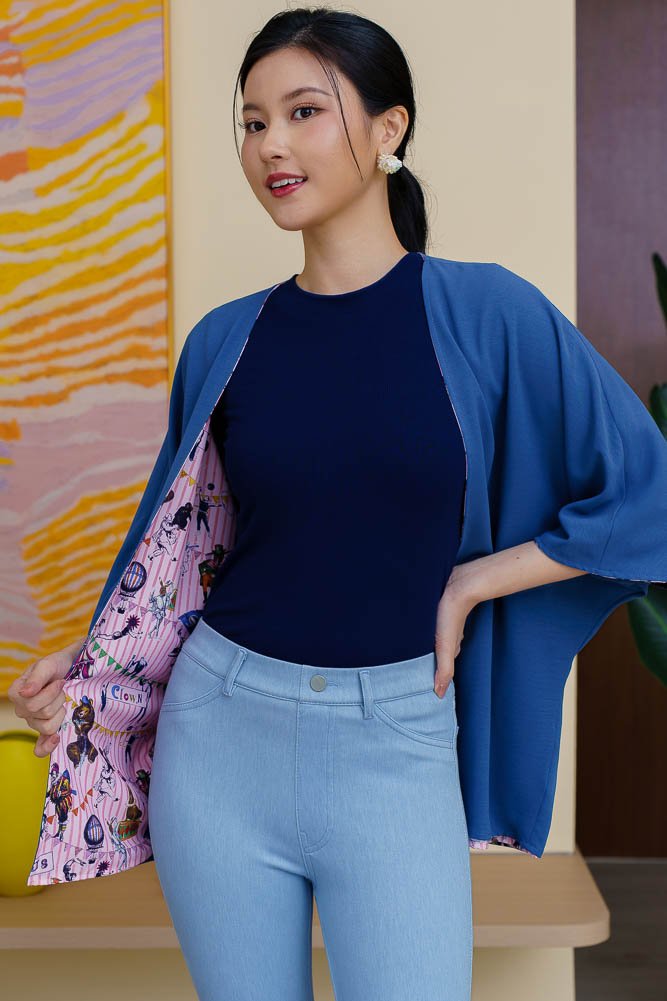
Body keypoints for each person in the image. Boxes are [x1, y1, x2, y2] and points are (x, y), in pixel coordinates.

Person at [10, 8, 667, 1001]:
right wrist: (101, 655)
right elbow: (188, 546)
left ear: (389, 127)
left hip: (396, 739)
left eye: (303, 111)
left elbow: (648, 490)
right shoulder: (225, 339)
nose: (270, 144)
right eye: (251, 122)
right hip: (217, 736)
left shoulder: (486, 312)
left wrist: (476, 581)